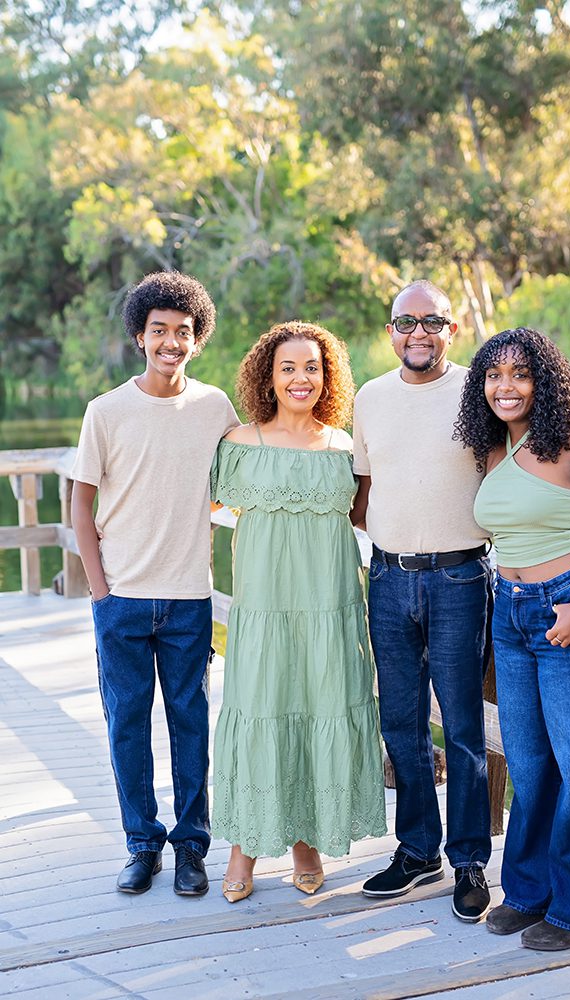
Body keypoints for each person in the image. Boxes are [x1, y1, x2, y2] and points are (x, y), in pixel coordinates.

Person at [454, 326, 570, 951]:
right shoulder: (492, 448)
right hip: (510, 613)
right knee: (530, 765)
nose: (505, 387)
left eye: (520, 374)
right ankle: (530, 892)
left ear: (545, 381)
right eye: (494, 375)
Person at [71, 271, 239, 896]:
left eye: (183, 332)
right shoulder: (106, 411)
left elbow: (237, 481)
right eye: (159, 330)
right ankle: (142, 844)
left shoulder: (215, 408)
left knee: (190, 723)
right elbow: (80, 505)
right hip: (121, 598)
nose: (172, 342)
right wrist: (100, 591)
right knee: (127, 725)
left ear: (197, 339)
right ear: (140, 336)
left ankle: (192, 845)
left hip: (190, 597)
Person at [210, 320, 386, 903]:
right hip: (264, 609)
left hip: (329, 607)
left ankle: (307, 842)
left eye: (312, 367)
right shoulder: (240, 444)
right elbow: (188, 503)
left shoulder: (345, 448)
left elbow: (374, 514)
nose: (300, 378)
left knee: (319, 707)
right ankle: (244, 847)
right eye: (287, 368)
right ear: (268, 377)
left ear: (328, 377)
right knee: (261, 709)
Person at [351, 280, 494, 923]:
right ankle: (417, 851)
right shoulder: (371, 398)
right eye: (405, 322)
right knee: (400, 723)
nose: (418, 333)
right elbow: (361, 494)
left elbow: (517, 471)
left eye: (431, 322)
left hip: (460, 578)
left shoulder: (478, 391)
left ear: (451, 330)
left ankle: (468, 860)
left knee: (462, 727)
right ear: (391, 332)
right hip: (387, 578)